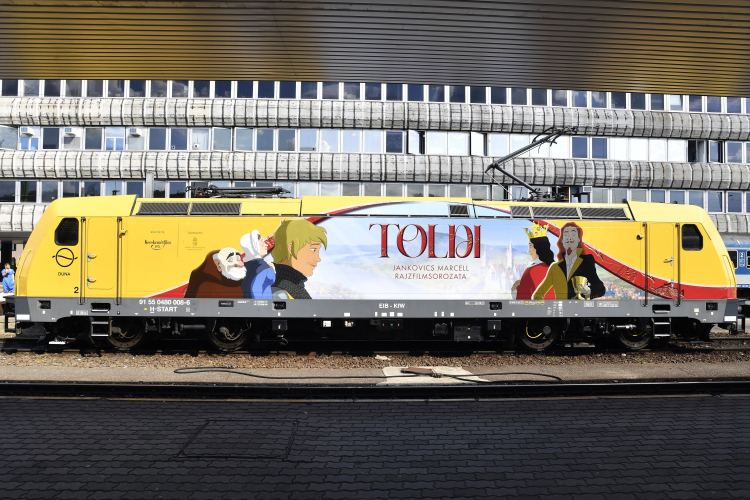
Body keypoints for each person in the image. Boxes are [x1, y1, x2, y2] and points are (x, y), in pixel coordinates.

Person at [532, 222, 605, 300]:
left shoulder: (587, 262)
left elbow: (600, 289)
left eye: (573, 234)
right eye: (566, 235)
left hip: (579, 307)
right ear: (562, 241)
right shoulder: (554, 267)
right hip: (561, 307)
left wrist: (588, 291)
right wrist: (550, 306)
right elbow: (537, 295)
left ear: (578, 240)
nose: (569, 238)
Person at [270, 219, 327, 299]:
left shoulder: (291, 284)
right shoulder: (282, 290)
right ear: (291, 248)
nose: (318, 258)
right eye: (313, 249)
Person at [511, 223, 555, 300]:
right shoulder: (554, 268)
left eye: (530, 245)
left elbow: (522, 300)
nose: (528, 251)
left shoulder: (530, 271)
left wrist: (515, 290)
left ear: (539, 248)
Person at [240, 230, 276, 299]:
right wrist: (272, 270)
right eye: (262, 242)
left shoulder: (244, 267)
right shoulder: (263, 267)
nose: (266, 245)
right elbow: (256, 289)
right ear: (255, 246)